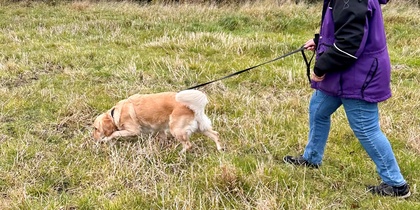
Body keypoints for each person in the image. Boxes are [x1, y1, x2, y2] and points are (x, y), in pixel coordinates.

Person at [283, 0, 411, 198]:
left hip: (358, 75)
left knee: (366, 129)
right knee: (318, 109)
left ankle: (396, 184)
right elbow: (347, 27)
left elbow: (349, 44)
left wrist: (320, 67)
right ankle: (311, 158)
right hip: (343, 72)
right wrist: (320, 40)